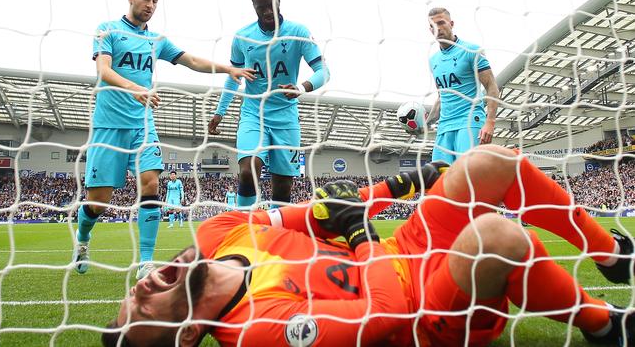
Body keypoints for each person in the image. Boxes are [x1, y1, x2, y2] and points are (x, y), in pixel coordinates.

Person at [102, 144, 635, 346]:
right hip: (424, 313)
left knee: (484, 163)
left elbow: (320, 213)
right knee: (497, 236)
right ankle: (602, 325)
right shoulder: (255, 331)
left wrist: (396, 188)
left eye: (132, 290)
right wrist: (362, 240)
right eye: (140, 308)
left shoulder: (216, 231)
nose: (142, 284)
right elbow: (385, 314)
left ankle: (608, 253)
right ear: (190, 332)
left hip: (401, 246)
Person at [73, 0, 256, 280]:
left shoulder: (156, 40)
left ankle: (146, 262)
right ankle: (83, 239)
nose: (150, 5)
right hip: (108, 124)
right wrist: (136, 89)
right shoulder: (107, 29)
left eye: (155, 1)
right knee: (98, 201)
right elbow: (103, 71)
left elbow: (192, 60)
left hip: (142, 123)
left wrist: (229, 69)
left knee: (150, 184)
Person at [208, 0, 330, 210]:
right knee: (247, 171)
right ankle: (245, 227)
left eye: (270, 5)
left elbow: (324, 71)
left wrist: (301, 87)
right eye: (260, 7)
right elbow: (233, 76)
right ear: (253, 6)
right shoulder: (243, 38)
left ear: (279, 2)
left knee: (282, 188)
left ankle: (276, 236)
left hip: (286, 118)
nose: (266, 11)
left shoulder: (298, 32)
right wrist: (219, 112)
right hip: (253, 114)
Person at [425, 7, 500, 164]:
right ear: (430, 29)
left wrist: (490, 122)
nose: (438, 28)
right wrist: (426, 124)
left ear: (451, 24)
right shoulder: (433, 60)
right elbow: (441, 98)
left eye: (441, 23)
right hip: (444, 127)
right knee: (439, 179)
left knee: (467, 175)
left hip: (469, 122)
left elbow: (491, 86)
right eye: (433, 25)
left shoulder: (471, 51)